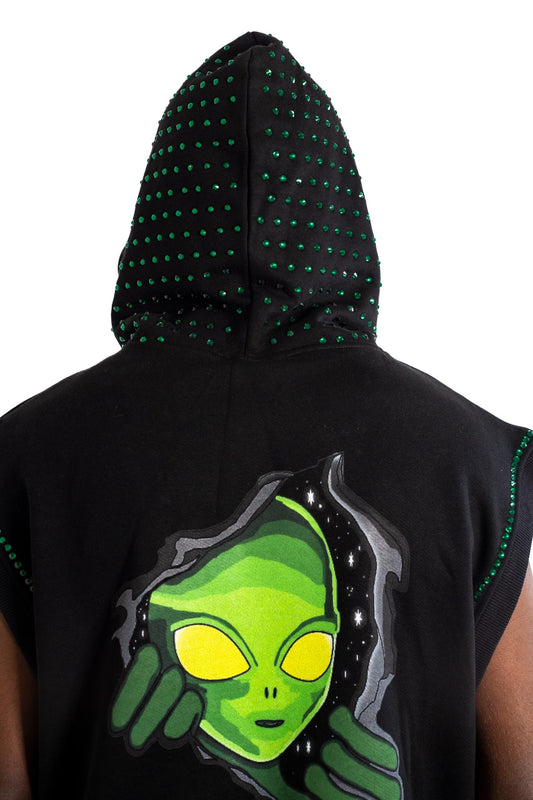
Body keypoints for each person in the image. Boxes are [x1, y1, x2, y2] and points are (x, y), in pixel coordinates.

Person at [1, 30, 532, 800]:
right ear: (337, 208)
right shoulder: (473, 464)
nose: (271, 691)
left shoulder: (28, 457)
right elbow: (521, 771)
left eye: (307, 651)